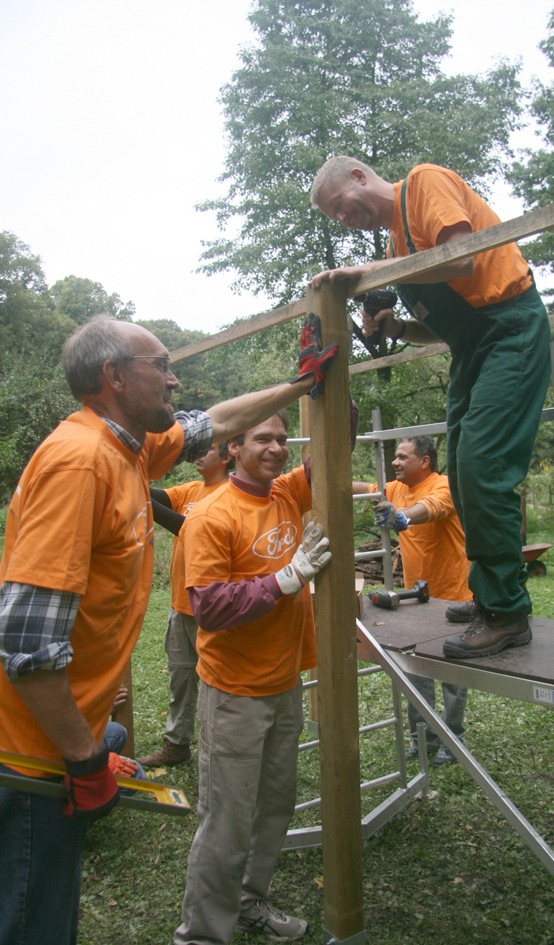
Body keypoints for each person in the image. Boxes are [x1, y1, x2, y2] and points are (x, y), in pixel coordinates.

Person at [0, 313, 339, 945]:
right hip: (30, 750)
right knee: (31, 920)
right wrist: (85, 755)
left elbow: (220, 419)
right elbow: (24, 637)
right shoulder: (79, 462)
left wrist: (301, 386)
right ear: (115, 377)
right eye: (163, 366)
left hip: (60, 736)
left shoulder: (130, 448)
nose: (175, 380)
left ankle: (243, 907)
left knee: (46, 914)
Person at [310, 156, 551, 659]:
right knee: (462, 476)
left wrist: (368, 273)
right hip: (472, 349)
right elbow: (443, 330)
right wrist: (393, 326)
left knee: (484, 468)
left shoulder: (422, 183)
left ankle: (507, 613)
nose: (342, 219)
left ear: (359, 177)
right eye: (333, 217)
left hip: (511, 329)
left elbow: (461, 256)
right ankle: (488, 596)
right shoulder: (398, 246)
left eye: (340, 206)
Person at [173, 407, 337, 945]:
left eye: (283, 439)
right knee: (226, 820)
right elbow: (209, 607)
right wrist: (285, 579)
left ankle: (249, 902)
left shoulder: (287, 493)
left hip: (284, 682)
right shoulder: (212, 514)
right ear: (232, 448)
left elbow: (340, 430)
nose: (276, 447)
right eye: (263, 438)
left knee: (274, 807)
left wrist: (327, 370)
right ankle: (201, 934)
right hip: (235, 691)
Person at [354, 434, 472, 765]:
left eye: (403, 457)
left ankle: (454, 741)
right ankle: (424, 740)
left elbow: (430, 509)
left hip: (453, 598)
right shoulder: (395, 488)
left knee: (452, 676)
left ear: (425, 462)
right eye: (395, 457)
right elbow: (361, 488)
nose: (395, 462)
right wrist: (315, 473)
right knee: (416, 672)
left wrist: (403, 516)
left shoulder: (444, 485)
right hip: (415, 597)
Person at [138, 443, 232, 768]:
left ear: (227, 455)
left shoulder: (228, 494)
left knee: (216, 685)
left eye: (207, 449)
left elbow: (188, 529)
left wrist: (138, 494)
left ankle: (217, 750)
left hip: (211, 612)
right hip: (180, 605)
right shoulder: (192, 490)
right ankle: (177, 745)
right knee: (181, 679)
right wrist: (129, 474)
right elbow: (149, 496)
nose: (198, 455)